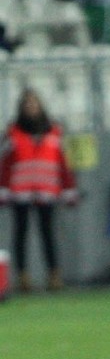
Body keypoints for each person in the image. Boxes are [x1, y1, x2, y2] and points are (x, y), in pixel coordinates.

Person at [0, 87, 78, 292]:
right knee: (21, 234)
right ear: (21, 108)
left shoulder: (54, 131)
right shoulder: (13, 132)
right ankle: (23, 277)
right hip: (21, 191)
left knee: (48, 234)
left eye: (34, 103)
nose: (31, 107)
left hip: (47, 190)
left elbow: (63, 163)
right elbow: (6, 164)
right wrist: (4, 189)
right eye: (27, 104)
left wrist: (69, 190)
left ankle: (54, 275)